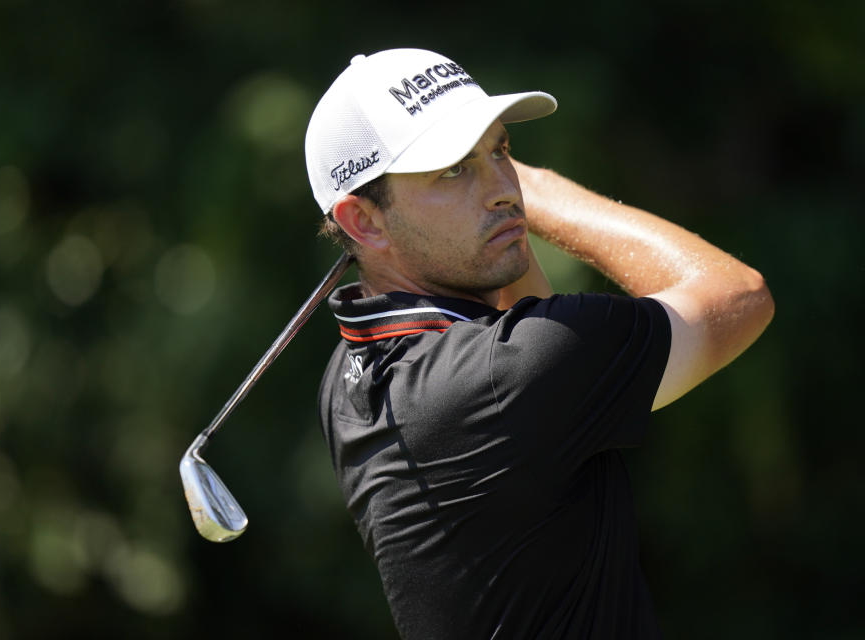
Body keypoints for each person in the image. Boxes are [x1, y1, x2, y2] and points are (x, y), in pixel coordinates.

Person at [304, 48, 774, 640]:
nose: (504, 189)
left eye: (501, 151)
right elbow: (739, 295)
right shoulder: (510, 375)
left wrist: (497, 204)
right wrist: (547, 193)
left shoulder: (351, 372)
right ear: (364, 222)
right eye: (452, 168)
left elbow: (517, 312)